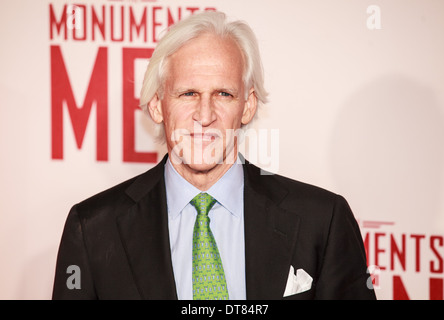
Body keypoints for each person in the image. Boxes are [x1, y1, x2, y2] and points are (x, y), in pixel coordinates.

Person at [52, 11, 376, 300]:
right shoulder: (93, 229)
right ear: (156, 105)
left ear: (247, 106)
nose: (204, 115)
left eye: (223, 94)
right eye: (188, 93)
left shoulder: (322, 221)